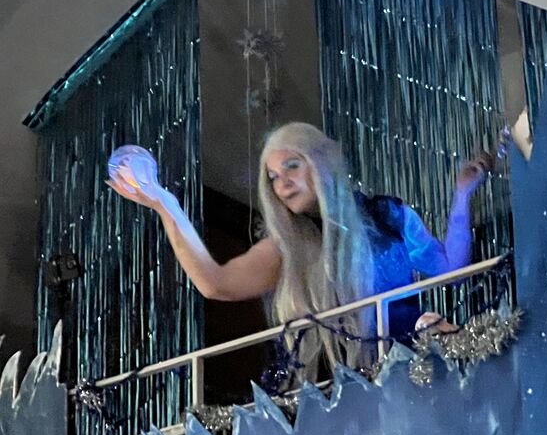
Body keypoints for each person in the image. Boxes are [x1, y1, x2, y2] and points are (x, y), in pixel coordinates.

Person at [107, 122, 490, 380]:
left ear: (322, 162)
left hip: (417, 360)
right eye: (274, 177)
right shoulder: (287, 246)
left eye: (292, 166)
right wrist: (166, 205)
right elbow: (216, 283)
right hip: (351, 382)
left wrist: (462, 196)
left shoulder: (387, 214)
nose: (283, 183)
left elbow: (450, 270)